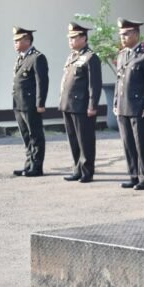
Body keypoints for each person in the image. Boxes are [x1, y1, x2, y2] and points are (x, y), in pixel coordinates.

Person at [114, 18, 144, 191]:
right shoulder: (122, 55)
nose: (122, 38)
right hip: (124, 106)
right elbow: (119, 82)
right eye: (121, 35)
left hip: (139, 107)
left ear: (135, 34)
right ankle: (133, 175)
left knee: (142, 144)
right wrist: (116, 102)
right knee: (128, 144)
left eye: (126, 34)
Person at [59, 22, 102, 183]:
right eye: (69, 38)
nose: (70, 41)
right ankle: (77, 169)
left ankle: (87, 171)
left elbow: (94, 84)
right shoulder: (72, 56)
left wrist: (92, 105)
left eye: (73, 38)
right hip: (68, 105)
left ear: (83, 38)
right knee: (73, 140)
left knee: (85, 140)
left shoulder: (91, 57)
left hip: (83, 106)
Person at [12, 27, 49, 177]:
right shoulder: (21, 57)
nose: (15, 44)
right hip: (19, 103)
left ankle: (37, 167)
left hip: (31, 104)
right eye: (14, 41)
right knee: (26, 136)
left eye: (18, 41)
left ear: (27, 40)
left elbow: (42, 82)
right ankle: (29, 165)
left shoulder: (37, 57)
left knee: (35, 136)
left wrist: (40, 103)